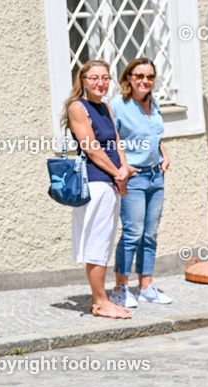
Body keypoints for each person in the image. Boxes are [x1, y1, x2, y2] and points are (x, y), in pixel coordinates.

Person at [62, 60, 131, 319]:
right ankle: (101, 302)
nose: (101, 83)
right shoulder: (78, 107)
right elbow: (90, 147)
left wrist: (123, 170)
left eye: (105, 78)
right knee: (97, 242)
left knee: (105, 240)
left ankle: (97, 297)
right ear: (83, 81)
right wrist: (116, 172)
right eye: (94, 78)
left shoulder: (107, 108)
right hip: (94, 182)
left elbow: (115, 141)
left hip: (111, 182)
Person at [109, 58, 172, 307]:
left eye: (150, 77)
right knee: (132, 233)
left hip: (156, 176)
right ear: (129, 78)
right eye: (139, 76)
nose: (145, 81)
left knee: (150, 234)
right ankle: (120, 287)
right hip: (134, 178)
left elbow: (155, 136)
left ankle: (146, 286)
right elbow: (109, 140)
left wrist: (164, 155)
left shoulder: (152, 103)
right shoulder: (118, 105)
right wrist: (122, 168)